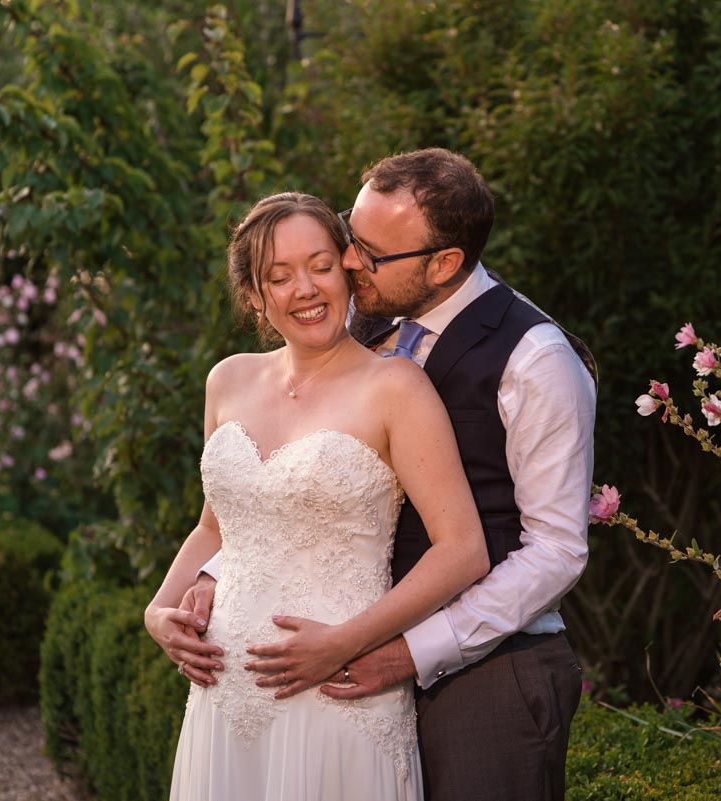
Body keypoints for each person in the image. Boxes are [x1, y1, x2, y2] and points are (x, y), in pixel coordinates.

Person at [175, 148, 597, 801]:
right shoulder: (363, 318)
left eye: (367, 254)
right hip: (340, 666)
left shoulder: (537, 360)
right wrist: (214, 574)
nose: (346, 262)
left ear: (445, 263)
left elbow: (557, 551)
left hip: (487, 671)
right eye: (351, 235)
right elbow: (290, 481)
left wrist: (411, 651)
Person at [143, 191, 490, 801]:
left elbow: (463, 550)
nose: (305, 289)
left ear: (348, 270)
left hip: (338, 695)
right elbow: (215, 528)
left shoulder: (397, 387)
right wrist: (159, 609)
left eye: (321, 266)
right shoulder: (227, 380)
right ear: (254, 294)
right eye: (280, 276)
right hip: (224, 698)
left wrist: (346, 642)